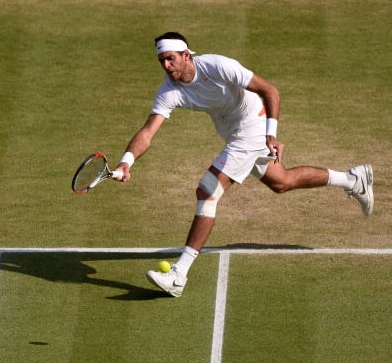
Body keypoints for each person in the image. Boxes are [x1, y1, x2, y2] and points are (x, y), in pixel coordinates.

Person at [113, 32, 374, 297]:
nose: (167, 66)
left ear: (186, 55)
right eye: (162, 61)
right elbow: (147, 132)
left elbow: (269, 90)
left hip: (252, 125)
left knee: (207, 190)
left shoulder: (217, 66)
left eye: (170, 58)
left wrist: (270, 133)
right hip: (232, 132)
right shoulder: (169, 91)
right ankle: (354, 180)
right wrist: (126, 162)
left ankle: (179, 274)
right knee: (281, 182)